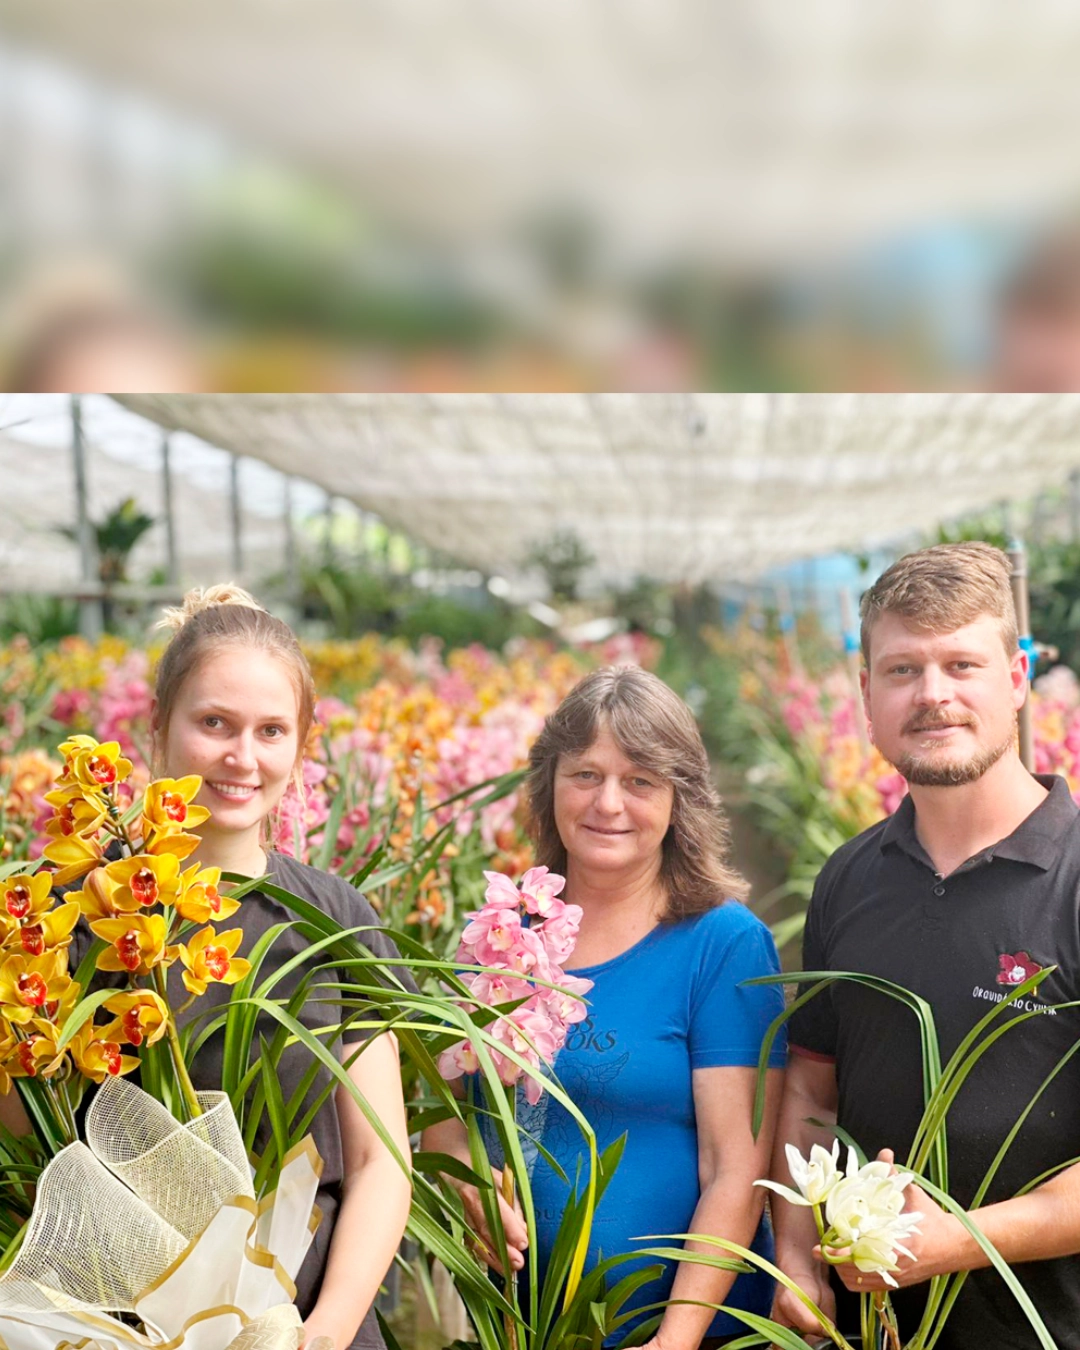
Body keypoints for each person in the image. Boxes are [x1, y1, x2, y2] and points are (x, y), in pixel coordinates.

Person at [74, 586, 412, 1350]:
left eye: (270, 731)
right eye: (214, 724)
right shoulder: (79, 912)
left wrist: (322, 1334)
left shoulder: (336, 924)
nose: (242, 758)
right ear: (157, 725)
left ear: (301, 745)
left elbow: (379, 1162)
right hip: (112, 1324)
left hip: (306, 1322)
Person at [771, 542, 1080, 1349]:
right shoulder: (848, 876)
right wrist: (799, 1259)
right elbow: (811, 1093)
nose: (933, 695)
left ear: (1016, 678)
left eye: (960, 664)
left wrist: (956, 1243)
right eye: (903, 670)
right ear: (866, 692)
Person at [426, 665, 786, 1348]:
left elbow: (735, 1168)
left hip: (685, 1336)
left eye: (640, 781)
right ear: (549, 784)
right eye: (585, 774)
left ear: (681, 800)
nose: (608, 803)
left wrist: (675, 1339)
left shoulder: (724, 944)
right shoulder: (502, 936)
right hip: (522, 1327)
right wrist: (468, 1190)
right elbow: (448, 1129)